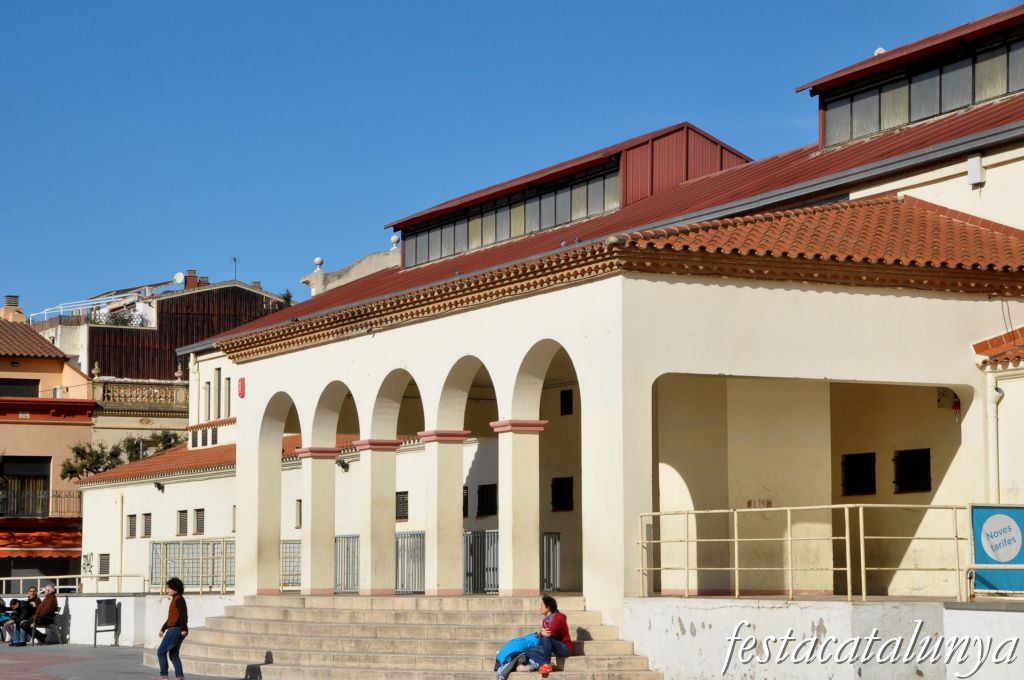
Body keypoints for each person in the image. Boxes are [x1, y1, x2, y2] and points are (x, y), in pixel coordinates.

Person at [496, 595, 573, 678]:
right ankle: (545, 663)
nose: (540, 607)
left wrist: (542, 633)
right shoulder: (546, 619)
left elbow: (549, 633)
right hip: (552, 647)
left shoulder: (558, 617)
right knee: (527, 650)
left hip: (564, 648)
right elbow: (542, 635)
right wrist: (541, 633)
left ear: (548, 607)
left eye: (542, 605)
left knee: (546, 638)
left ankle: (546, 665)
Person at [157, 577, 188, 680]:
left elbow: (184, 615)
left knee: (161, 652)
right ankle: (179, 677)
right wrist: (163, 628)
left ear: (176, 589)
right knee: (173, 654)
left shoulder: (179, 600)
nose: (167, 590)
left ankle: (163, 676)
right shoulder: (176, 599)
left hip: (175, 630)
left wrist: (184, 629)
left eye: (169, 588)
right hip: (175, 629)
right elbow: (171, 618)